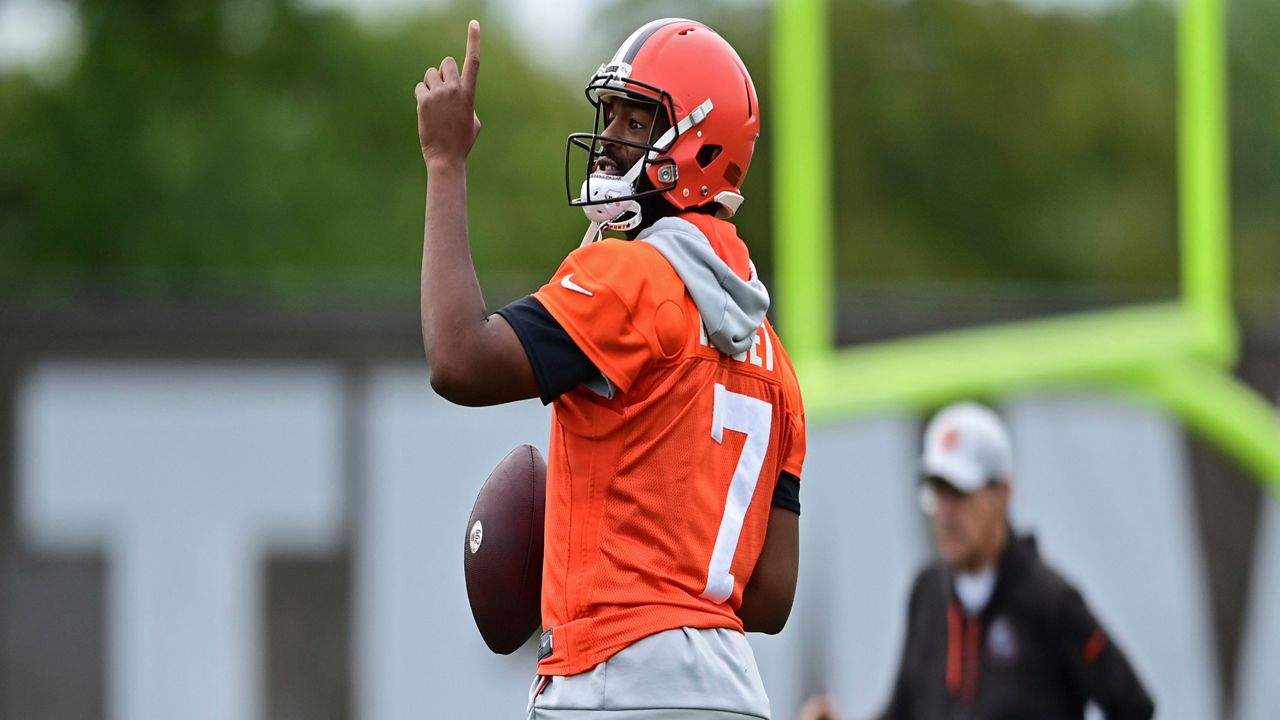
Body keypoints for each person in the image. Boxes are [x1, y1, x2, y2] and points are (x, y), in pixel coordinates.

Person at [414, 18, 806, 720]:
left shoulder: (630, 279)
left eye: (637, 118)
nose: (611, 136)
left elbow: (458, 359)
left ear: (700, 145)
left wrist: (446, 164)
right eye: (612, 114)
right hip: (735, 699)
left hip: (614, 683)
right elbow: (770, 596)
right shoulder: (775, 358)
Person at [879, 402, 1154, 719]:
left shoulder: (1051, 600)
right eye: (937, 492)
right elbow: (901, 711)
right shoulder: (926, 593)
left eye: (960, 492)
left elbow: (1133, 706)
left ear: (1003, 494)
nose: (946, 512)